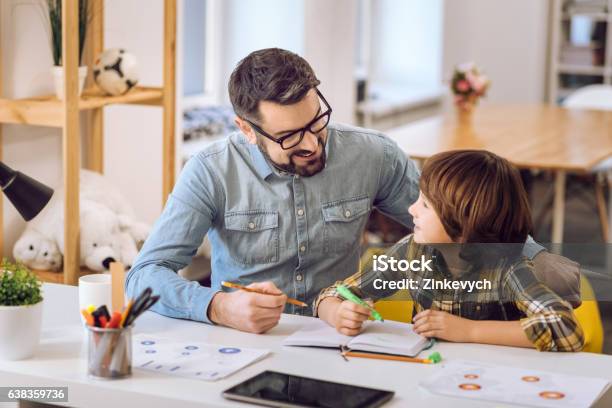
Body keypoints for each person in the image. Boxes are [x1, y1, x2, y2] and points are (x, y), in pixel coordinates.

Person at [125, 48, 420, 333]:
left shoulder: (374, 155)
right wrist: (221, 307)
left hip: (340, 342)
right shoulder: (210, 170)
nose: (311, 145)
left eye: (316, 121)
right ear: (247, 130)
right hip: (244, 346)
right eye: (288, 137)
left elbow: (449, 230)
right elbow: (144, 275)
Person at [315, 150, 584, 352]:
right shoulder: (411, 252)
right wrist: (337, 313)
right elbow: (331, 295)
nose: (411, 210)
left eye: (426, 205)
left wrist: (469, 330)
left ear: (465, 226)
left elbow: (566, 329)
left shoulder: (508, 267)